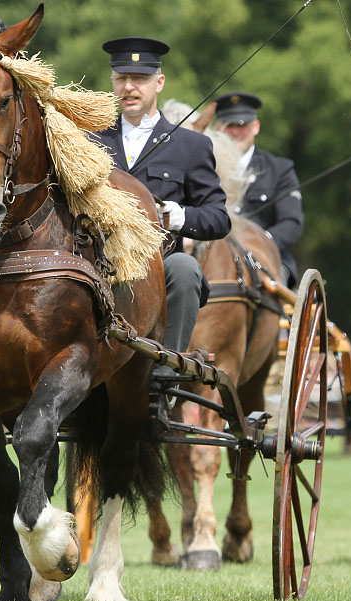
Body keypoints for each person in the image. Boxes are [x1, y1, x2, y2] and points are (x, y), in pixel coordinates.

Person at [91, 37, 231, 382]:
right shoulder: (89, 140)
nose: (129, 87)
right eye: (121, 78)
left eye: (139, 79)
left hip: (157, 262)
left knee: (185, 267)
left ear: (159, 83)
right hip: (95, 260)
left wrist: (179, 215)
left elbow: (219, 216)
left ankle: (166, 368)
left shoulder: (191, 146)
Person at [214, 91, 303, 287]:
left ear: (255, 127)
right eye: (230, 126)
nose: (236, 132)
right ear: (218, 129)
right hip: (215, 259)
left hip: (267, 258)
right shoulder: (205, 169)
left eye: (242, 125)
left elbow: (291, 223)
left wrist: (260, 244)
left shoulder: (280, 170)